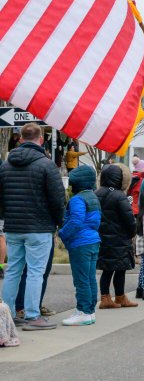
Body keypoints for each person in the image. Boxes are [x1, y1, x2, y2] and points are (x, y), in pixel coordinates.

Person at [0, 123, 65, 331]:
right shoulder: (46, 165)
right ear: (40, 140)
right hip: (39, 227)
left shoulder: (5, 165)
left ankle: (7, 314)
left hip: (13, 226)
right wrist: (59, 222)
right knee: (35, 272)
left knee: (13, 271)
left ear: (19, 139)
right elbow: (57, 199)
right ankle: (32, 315)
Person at [58, 165, 102, 326]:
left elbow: (76, 220)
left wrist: (63, 233)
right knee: (90, 278)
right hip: (93, 241)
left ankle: (83, 311)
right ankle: (89, 311)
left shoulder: (77, 199)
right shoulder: (93, 197)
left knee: (81, 279)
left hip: (80, 243)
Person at [96, 163, 138, 309]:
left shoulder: (97, 193)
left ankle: (105, 297)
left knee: (107, 269)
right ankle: (120, 297)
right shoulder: (120, 196)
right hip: (119, 238)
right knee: (120, 269)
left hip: (102, 237)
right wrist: (132, 233)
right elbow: (129, 219)